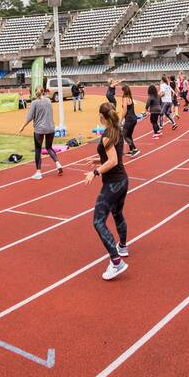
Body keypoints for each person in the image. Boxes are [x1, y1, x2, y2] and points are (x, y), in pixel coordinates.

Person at [85, 103, 129, 280]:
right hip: (123, 180)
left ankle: (116, 262)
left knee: (98, 221)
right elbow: (116, 156)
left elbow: (113, 161)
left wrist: (95, 172)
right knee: (118, 215)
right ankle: (123, 247)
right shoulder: (117, 130)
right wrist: (98, 160)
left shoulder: (106, 135)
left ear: (102, 117)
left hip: (113, 184)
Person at [19, 88, 63, 179]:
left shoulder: (34, 103)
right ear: (43, 92)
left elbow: (29, 117)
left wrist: (22, 127)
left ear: (35, 93)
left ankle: (38, 172)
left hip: (39, 129)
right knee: (49, 147)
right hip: (51, 128)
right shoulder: (48, 101)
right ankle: (58, 164)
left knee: (38, 150)